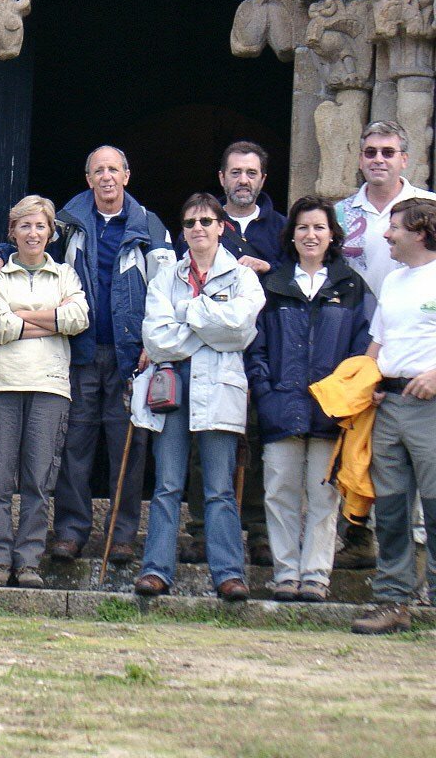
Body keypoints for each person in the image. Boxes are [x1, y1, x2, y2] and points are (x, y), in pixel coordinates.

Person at [0, 146, 174, 566]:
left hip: (131, 354)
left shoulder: (149, 226)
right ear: (88, 179)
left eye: (113, 169)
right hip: (80, 353)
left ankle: (122, 535)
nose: (106, 177)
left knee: (128, 445)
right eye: (97, 170)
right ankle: (70, 532)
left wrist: (153, 344)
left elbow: (168, 289)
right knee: (75, 446)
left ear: (127, 174)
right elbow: (30, 238)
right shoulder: (69, 222)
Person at [132, 193, 265, 601]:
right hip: (171, 384)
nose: (198, 229)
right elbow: (155, 338)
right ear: (182, 231)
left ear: (222, 227)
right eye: (190, 222)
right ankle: (156, 570)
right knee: (168, 484)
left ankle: (227, 574)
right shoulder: (165, 277)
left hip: (220, 386)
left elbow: (242, 331)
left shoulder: (243, 277)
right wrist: (211, 324)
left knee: (219, 486)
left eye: (207, 221)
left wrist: (187, 313)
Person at [245, 197, 373, 602]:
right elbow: (256, 347)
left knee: (323, 495)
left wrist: (345, 398)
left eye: (319, 227)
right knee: (279, 491)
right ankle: (285, 573)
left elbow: (362, 348)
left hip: (330, 409)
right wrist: (265, 393)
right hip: (281, 405)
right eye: (303, 228)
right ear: (292, 235)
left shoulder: (351, 287)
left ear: (333, 234)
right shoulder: (275, 285)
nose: (311, 235)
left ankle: (316, 575)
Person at [334, 120, 436, 568]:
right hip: (369, 353)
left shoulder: (429, 207)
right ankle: (369, 559)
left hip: (425, 371)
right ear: (360, 158)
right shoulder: (340, 214)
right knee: (378, 477)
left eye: (387, 152)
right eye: (370, 152)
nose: (378, 159)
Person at [178, 141, 286, 566]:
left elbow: (303, 280)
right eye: (236, 173)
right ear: (222, 178)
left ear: (263, 179)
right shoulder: (200, 223)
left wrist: (269, 272)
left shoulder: (281, 229)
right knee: (202, 441)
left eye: (252, 173)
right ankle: (202, 532)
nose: (244, 180)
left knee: (258, 440)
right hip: (206, 353)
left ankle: (258, 532)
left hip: (265, 351)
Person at [0, 196, 89, 588]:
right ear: (13, 232)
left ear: (50, 232)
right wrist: (52, 321)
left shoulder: (65, 276)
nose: (33, 233)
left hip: (50, 386)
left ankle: (28, 562)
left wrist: (21, 315)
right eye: (24, 226)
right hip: (2, 383)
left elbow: (78, 318)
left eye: (40, 226)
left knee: (40, 481)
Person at [352, 198, 436, 634]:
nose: (386, 235)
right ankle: (392, 601)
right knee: (390, 509)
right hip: (389, 405)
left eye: (395, 228)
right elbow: (377, 343)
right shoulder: (395, 283)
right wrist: (366, 384)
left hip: (430, 407)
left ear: (421, 232)